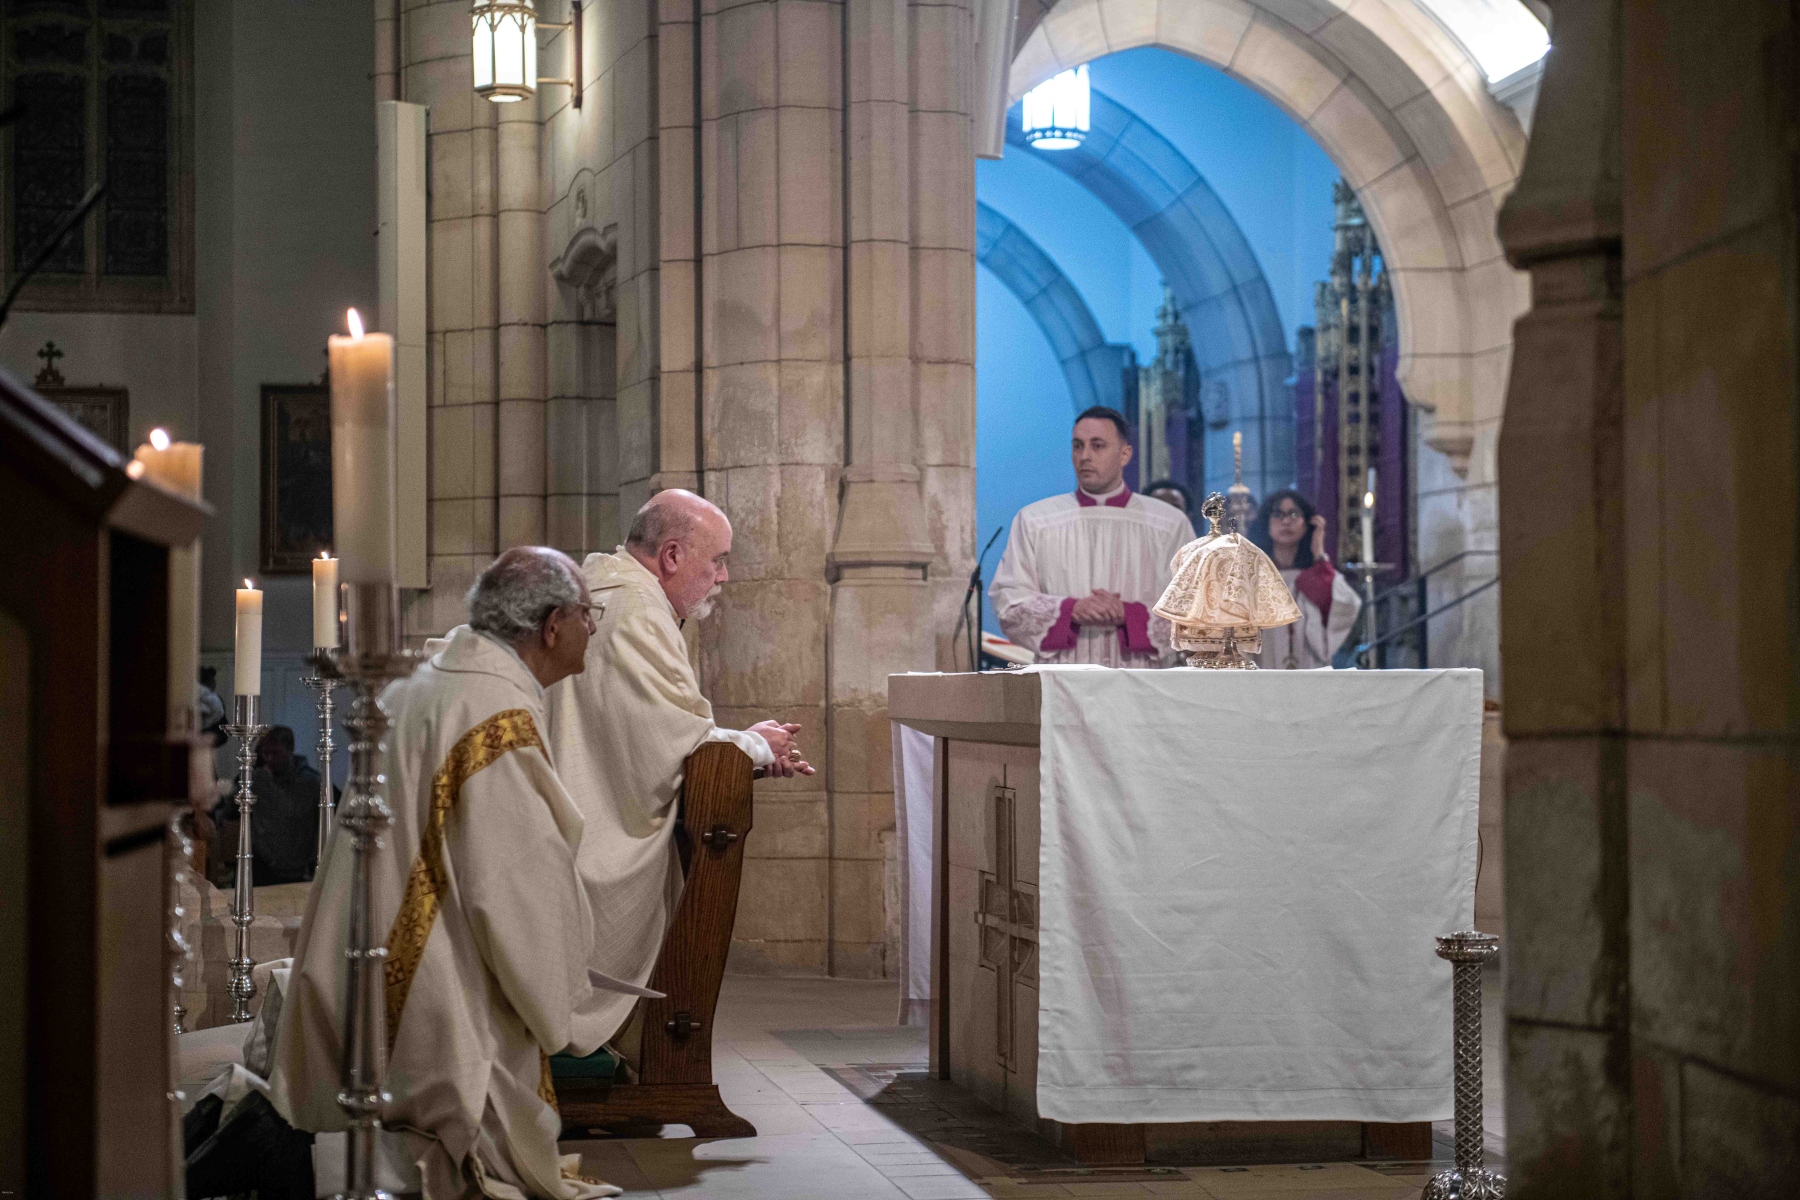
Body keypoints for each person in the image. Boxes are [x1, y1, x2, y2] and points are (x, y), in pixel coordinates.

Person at [271, 546, 621, 1200]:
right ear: (552, 626)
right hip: (433, 990)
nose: (593, 627)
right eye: (587, 613)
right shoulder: (494, 712)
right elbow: (512, 884)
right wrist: (555, 999)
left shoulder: (432, 680)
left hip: (367, 960)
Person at [546, 489, 814, 1049]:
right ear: (671, 555)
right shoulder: (636, 611)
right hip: (590, 841)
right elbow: (667, 745)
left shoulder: (603, 590)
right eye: (717, 560)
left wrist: (752, 750)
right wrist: (758, 746)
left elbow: (657, 727)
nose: (723, 576)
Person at [989, 406, 1195, 666]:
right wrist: (1070, 610)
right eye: (1078, 446)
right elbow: (1009, 601)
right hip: (1064, 677)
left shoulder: (1168, 524)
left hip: (1142, 677)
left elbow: (1193, 607)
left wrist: (1128, 614)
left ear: (1124, 454)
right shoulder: (1035, 520)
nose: (1084, 456)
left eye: (1097, 446)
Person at [1246, 489, 1362, 669]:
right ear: (1266, 523)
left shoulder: (1315, 575)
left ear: (1307, 523)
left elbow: (1346, 604)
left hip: (1309, 667)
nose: (1286, 521)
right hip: (1264, 668)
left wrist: (1319, 552)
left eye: (1294, 514)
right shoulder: (1254, 576)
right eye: (1278, 514)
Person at [248, 725, 330, 885]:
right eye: (265, 753)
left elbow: (297, 816)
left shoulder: (310, 783)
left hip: (298, 868)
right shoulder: (257, 779)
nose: (269, 759)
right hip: (263, 867)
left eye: (275, 753)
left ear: (290, 749)